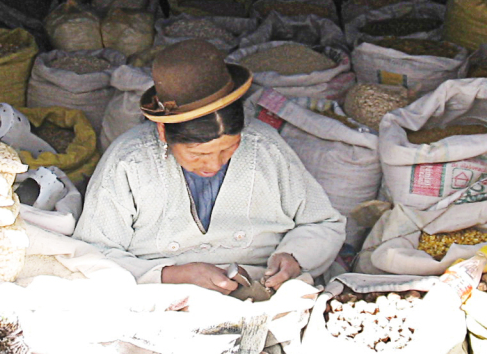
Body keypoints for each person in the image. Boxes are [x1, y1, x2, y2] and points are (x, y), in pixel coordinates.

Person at [74, 39, 348, 294]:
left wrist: (294, 257)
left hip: (260, 287)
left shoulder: (265, 147)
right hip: (155, 295)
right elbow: (92, 253)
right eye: (197, 153)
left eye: (229, 148)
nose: (214, 164)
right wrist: (173, 274)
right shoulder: (129, 160)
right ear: (162, 131)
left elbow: (323, 222)